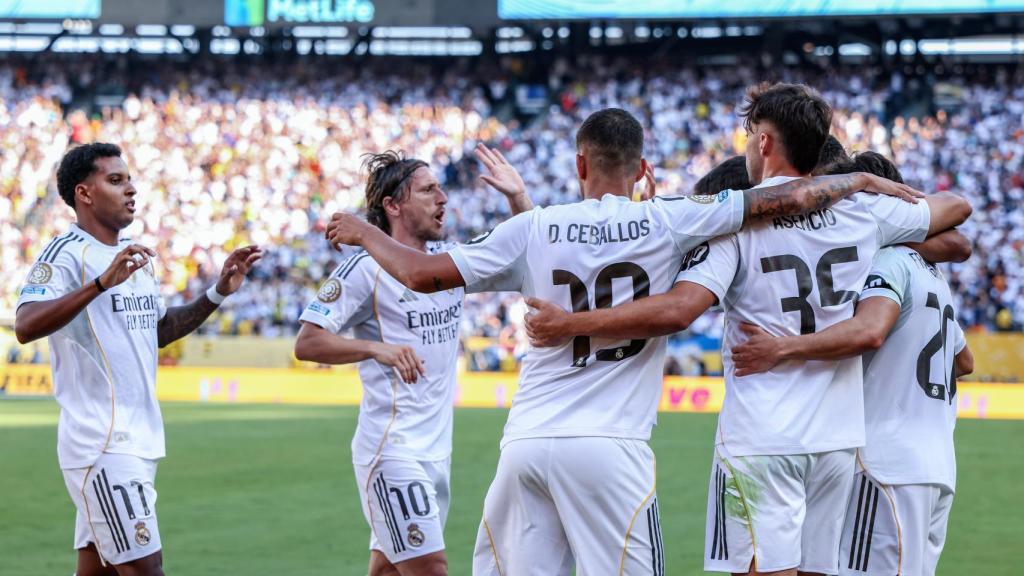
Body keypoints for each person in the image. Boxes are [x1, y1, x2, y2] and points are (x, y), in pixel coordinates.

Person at [322, 107, 924, 575]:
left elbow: (422, 275)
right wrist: (857, 182)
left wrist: (360, 230)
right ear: (641, 170)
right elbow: (784, 196)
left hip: (526, 446)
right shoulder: (669, 218)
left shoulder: (533, 227)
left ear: (580, 164)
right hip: (612, 450)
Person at [522, 85, 972, 576]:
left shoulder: (736, 221)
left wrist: (570, 323)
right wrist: (867, 187)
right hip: (837, 442)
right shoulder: (863, 212)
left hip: (763, 438)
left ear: (762, 143)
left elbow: (679, 309)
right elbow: (956, 211)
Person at [14, 143, 262, 576]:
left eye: (129, 179)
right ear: (84, 194)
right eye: (116, 180)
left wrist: (218, 292)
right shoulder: (67, 254)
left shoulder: (137, 258)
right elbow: (26, 324)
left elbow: (160, 330)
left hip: (139, 440)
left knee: (101, 571)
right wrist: (98, 285)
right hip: (102, 442)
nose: (131, 189)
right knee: (147, 569)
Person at [293, 146, 532, 576]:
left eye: (441, 188)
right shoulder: (363, 270)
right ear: (393, 205)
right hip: (392, 450)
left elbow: (524, 254)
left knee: (388, 570)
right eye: (428, 190)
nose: (443, 198)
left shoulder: (448, 265)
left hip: (436, 452)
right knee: (430, 568)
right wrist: (376, 348)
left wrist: (517, 197)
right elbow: (308, 342)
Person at [730, 156, 974, 576]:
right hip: (937, 468)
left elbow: (869, 332)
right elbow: (964, 361)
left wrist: (783, 348)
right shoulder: (933, 274)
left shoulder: (885, 263)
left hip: (884, 463)